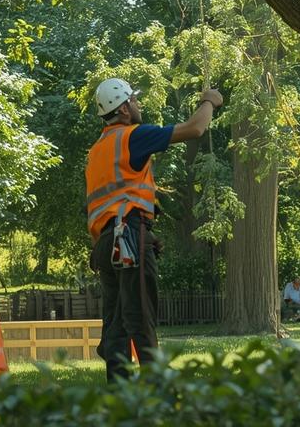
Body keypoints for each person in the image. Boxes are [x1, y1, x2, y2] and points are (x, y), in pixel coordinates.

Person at [86, 77, 223, 381]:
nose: (138, 104)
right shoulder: (132, 136)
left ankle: (118, 390)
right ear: (122, 109)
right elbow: (195, 128)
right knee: (140, 317)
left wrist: (146, 232)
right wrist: (209, 101)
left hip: (107, 244)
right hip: (128, 237)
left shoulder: (97, 150)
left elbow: (111, 202)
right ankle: (157, 390)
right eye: (133, 100)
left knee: (116, 323)